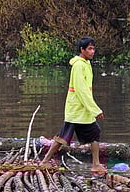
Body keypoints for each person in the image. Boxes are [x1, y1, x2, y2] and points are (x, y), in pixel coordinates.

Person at [40, 37, 107, 175]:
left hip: (82, 110)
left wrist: (91, 109)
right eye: (89, 48)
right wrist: (95, 110)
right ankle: (45, 161)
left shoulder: (86, 64)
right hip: (77, 109)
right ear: (82, 50)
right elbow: (81, 90)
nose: (92, 51)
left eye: (93, 49)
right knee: (63, 137)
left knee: (93, 133)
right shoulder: (79, 66)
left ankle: (95, 164)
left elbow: (86, 90)